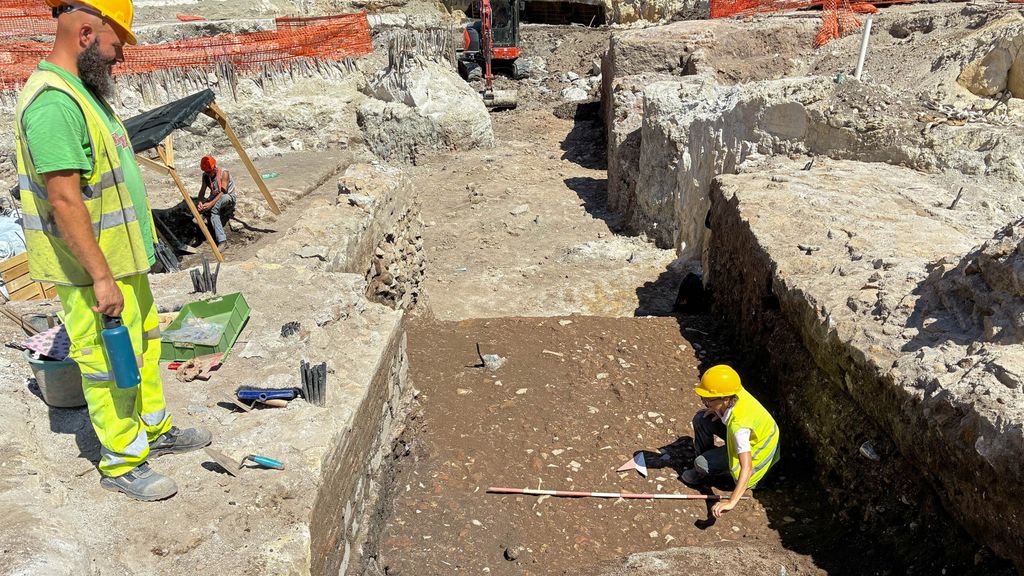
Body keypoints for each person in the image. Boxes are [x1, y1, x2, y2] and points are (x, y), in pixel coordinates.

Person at [13, 0, 211, 501]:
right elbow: (64, 199)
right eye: (115, 44)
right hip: (93, 271)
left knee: (142, 348)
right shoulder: (54, 104)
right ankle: (122, 460)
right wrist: (100, 276)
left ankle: (153, 430)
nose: (120, 56)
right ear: (85, 34)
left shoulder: (84, 93)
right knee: (108, 364)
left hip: (123, 261)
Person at [681, 364, 780, 518]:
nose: (704, 402)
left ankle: (707, 468)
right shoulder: (734, 390)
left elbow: (747, 467)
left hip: (757, 459)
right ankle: (709, 463)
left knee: (701, 463)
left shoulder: (739, 427)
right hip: (758, 438)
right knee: (701, 419)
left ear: (725, 399)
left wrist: (731, 501)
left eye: (708, 400)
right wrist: (717, 411)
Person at [196, 155, 236, 248]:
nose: (208, 174)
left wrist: (211, 204)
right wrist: (200, 202)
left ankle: (222, 241)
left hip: (228, 196)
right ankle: (205, 218)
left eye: (210, 172)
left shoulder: (224, 173)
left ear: (214, 167)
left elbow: (223, 191)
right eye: (206, 172)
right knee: (202, 207)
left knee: (214, 208)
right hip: (214, 195)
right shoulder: (205, 176)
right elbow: (202, 191)